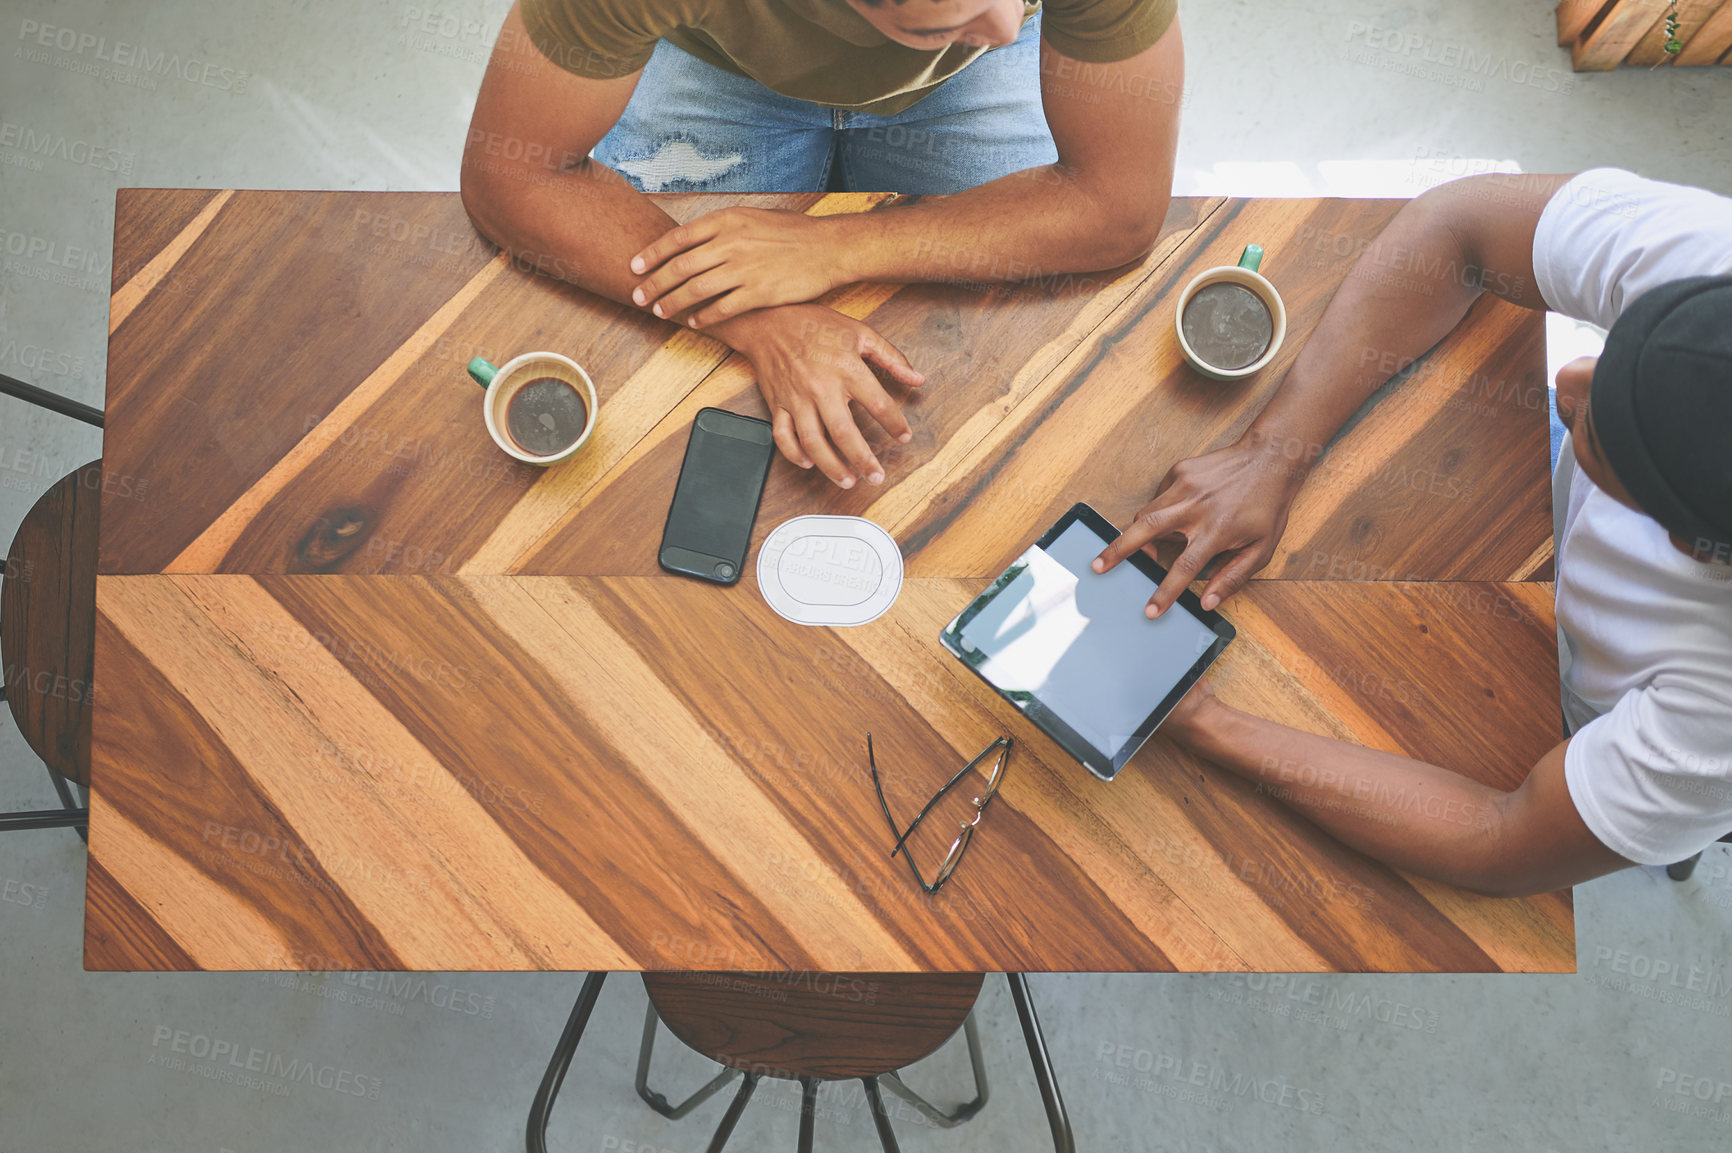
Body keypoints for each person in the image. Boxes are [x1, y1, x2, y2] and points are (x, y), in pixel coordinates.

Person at [1092, 168, 1732, 896]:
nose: (1569, 378)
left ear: (1686, 546)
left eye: (1598, 426)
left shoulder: (1713, 725)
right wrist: (1274, 452)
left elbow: (1501, 838)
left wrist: (1202, 721)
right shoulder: (1711, 257)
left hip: (1584, 716)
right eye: (1618, 343)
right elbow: (1456, 226)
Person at [461, 0, 1184, 489]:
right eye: (944, 16)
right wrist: (761, 320)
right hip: (716, 56)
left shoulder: (994, 21)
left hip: (963, 85)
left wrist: (838, 249)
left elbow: (1114, 208)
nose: (1007, 22)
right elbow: (512, 174)